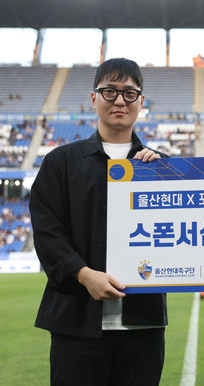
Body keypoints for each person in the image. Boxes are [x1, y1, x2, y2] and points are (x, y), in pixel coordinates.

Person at [30, 58, 168, 386]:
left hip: (143, 325)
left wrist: (163, 177)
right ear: (94, 98)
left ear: (141, 102)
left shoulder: (161, 167)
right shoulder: (60, 163)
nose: (120, 100)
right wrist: (83, 274)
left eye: (129, 93)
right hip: (75, 322)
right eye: (110, 91)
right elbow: (47, 232)